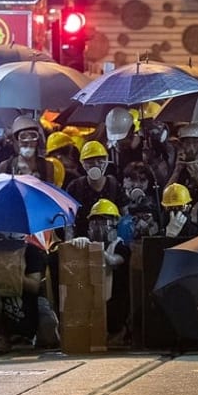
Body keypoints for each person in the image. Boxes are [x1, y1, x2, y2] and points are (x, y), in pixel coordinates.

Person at [69, 198, 132, 345]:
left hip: (115, 300)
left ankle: (119, 332)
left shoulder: (121, 246)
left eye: (104, 222)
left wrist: (96, 248)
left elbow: (114, 260)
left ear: (115, 224)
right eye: (95, 222)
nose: (99, 227)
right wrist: (79, 245)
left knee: (115, 313)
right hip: (94, 297)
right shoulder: (92, 244)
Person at [66, 141, 124, 237]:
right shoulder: (75, 187)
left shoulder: (114, 185)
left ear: (106, 162)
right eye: (90, 162)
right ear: (83, 164)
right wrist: (70, 242)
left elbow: (124, 216)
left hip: (111, 239)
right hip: (82, 242)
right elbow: (68, 219)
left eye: (100, 161)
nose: (96, 165)